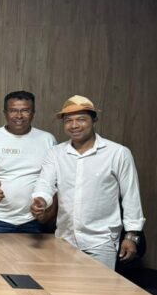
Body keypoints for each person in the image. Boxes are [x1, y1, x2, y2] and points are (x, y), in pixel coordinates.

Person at [31, 95, 144, 269]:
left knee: (98, 286)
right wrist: (41, 200)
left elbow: (131, 195)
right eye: (68, 121)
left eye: (81, 119)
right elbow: (45, 184)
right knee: (63, 285)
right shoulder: (56, 153)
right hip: (64, 239)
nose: (74, 125)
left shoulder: (118, 153)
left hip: (101, 242)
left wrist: (131, 236)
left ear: (94, 120)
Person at [0, 91, 56, 233]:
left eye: (25, 110)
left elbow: (52, 181)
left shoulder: (47, 140)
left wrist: (46, 214)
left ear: (33, 113)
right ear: (5, 113)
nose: (19, 116)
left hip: (34, 219)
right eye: (13, 110)